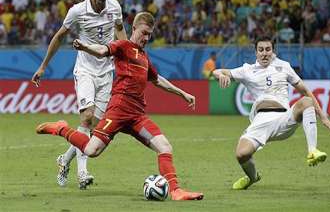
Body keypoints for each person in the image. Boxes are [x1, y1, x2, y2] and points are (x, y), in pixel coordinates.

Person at [35, 12, 204, 201]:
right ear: (134, 29)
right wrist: (84, 47)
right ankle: (61, 128)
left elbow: (157, 80)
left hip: (137, 116)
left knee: (164, 146)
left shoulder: (144, 57)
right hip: (118, 111)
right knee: (92, 151)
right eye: (144, 33)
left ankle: (176, 191)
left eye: (149, 35)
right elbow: (102, 50)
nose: (146, 38)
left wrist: (183, 93)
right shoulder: (124, 46)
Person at [31, 0, 127, 189]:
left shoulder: (115, 7)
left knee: (94, 129)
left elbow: (120, 32)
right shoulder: (77, 11)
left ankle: (64, 160)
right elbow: (59, 37)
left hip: (106, 72)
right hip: (85, 70)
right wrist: (43, 66)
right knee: (87, 117)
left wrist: (128, 59)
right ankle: (83, 173)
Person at [212, 35, 330, 190]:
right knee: (241, 154)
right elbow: (217, 71)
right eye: (261, 50)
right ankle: (253, 177)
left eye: (268, 49)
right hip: (260, 122)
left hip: (284, 118)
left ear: (273, 51)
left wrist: (323, 116)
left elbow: (305, 90)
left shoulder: (284, 66)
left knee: (307, 101)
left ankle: (312, 151)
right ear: (256, 52)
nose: (264, 53)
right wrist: (221, 75)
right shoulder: (247, 70)